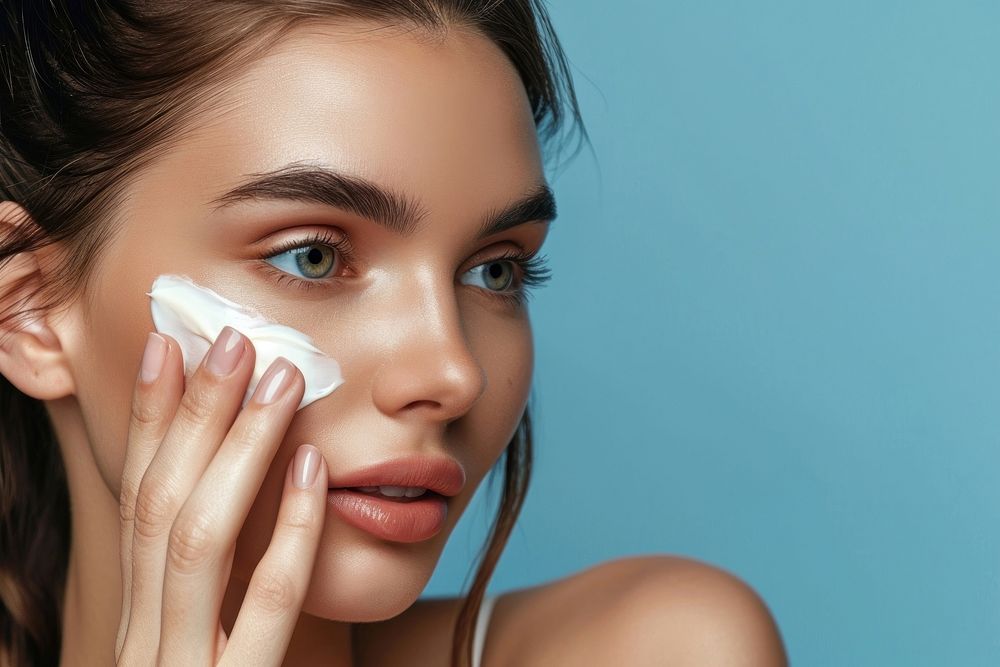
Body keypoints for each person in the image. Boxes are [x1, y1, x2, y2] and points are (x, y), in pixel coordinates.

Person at [0, 1, 789, 665]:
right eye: (313, 257)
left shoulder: (668, 645)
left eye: (495, 270)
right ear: (29, 312)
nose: (453, 372)